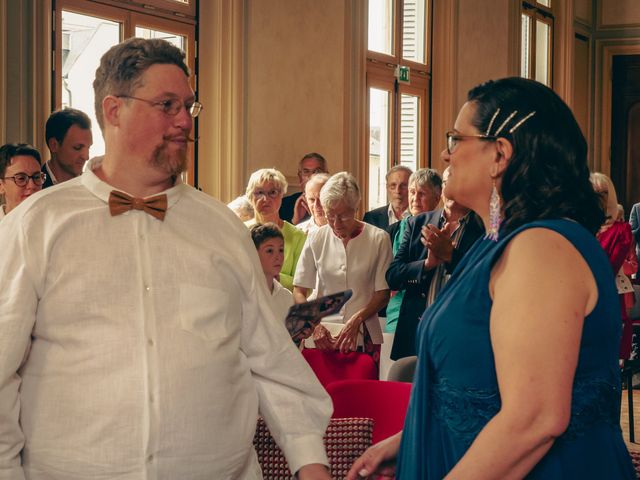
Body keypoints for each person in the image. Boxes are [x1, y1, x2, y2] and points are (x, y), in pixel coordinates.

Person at [0, 38, 332, 479]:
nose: (183, 121)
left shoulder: (224, 229)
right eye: (167, 104)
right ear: (114, 110)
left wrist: (310, 463)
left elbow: (270, 360)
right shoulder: (35, 225)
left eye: (189, 106)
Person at [348, 77, 635, 479]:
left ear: (500, 154)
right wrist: (409, 439)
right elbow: (475, 382)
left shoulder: (541, 249)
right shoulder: (495, 242)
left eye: (456, 139)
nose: (446, 155)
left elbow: (535, 419)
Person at [293, 172, 392, 367]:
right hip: (320, 334)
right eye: (331, 215)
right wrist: (314, 324)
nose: (336, 224)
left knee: (361, 395)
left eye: (344, 216)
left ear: (356, 209)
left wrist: (356, 320)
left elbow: (383, 293)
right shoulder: (316, 238)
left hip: (364, 335)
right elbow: (299, 290)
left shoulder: (378, 239)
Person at [385, 168, 484, 354]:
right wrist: (426, 265)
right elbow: (393, 276)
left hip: (460, 336)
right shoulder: (417, 223)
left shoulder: (484, 228)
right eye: (448, 183)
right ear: (442, 190)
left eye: (460, 183)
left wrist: (450, 256)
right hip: (416, 333)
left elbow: (484, 280)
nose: (452, 190)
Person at [384, 168, 442, 334]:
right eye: (412, 192)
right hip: (397, 310)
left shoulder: (441, 230)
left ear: (437, 198)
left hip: (431, 309)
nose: (415, 199)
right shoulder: (393, 230)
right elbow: (392, 275)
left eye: (422, 194)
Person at [590, 172, 635, 359]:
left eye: (604, 193)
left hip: (606, 295)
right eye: (595, 193)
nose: (600, 198)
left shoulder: (621, 231)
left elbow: (610, 266)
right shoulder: (580, 226)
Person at [245, 168, 307, 291]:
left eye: (272, 192)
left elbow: (304, 284)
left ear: (282, 195)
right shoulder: (242, 231)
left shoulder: (297, 236)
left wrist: (274, 277)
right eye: (259, 193)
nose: (265, 199)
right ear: (249, 196)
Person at [250, 222, 293, 323]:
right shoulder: (247, 295)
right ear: (254, 253)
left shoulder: (286, 296)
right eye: (269, 250)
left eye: (281, 250)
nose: (278, 257)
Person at [42, 108, 93, 187]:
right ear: (54, 145)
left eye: (88, 148)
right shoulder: (32, 187)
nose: (86, 157)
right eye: (78, 147)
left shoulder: (91, 186)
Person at [279, 152, 329, 225]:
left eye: (317, 171)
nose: (311, 175)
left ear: (326, 175)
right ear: (300, 177)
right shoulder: (284, 205)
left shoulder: (335, 203)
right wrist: (294, 221)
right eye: (306, 172)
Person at [0, 143, 45, 219]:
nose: (32, 186)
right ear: (1, 186)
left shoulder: (53, 223)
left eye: (37, 177)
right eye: (21, 178)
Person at [363, 165, 412, 230]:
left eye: (403, 186)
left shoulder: (420, 216)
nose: (398, 191)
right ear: (387, 188)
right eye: (393, 186)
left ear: (411, 188)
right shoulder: (371, 217)